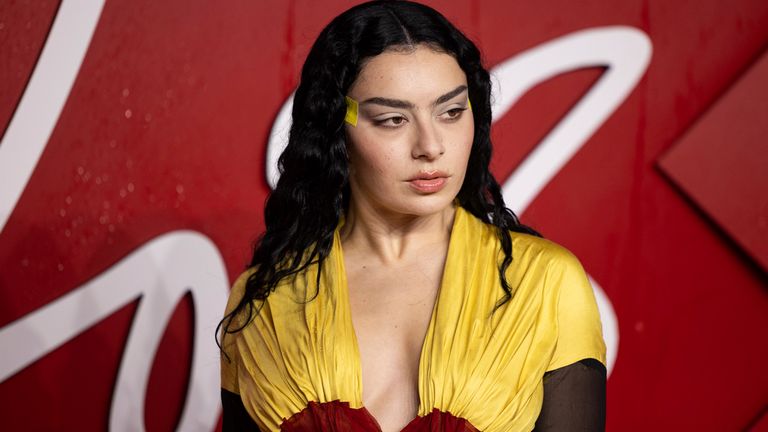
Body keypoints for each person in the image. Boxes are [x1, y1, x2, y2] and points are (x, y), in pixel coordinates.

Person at [218, 1, 607, 431]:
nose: (431, 145)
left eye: (452, 112)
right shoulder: (269, 300)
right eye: (392, 119)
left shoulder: (545, 283)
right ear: (336, 128)